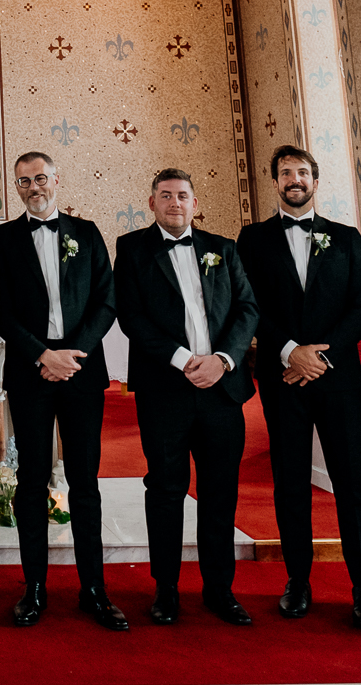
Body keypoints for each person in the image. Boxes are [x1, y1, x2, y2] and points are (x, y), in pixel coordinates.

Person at [235, 146, 361, 628]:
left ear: (315, 181)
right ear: (274, 181)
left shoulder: (346, 237)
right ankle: (298, 580)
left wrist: (322, 355)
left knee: (349, 479)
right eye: (284, 172)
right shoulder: (252, 239)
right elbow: (249, 305)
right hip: (283, 378)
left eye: (302, 172)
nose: (293, 179)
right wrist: (289, 351)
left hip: (337, 379)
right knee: (291, 480)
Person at [114, 168, 257, 628]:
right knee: (166, 489)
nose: (175, 203)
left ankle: (220, 589)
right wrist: (182, 360)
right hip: (165, 390)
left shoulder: (223, 248)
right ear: (151, 201)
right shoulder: (132, 249)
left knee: (220, 491)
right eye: (166, 195)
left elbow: (247, 308)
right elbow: (132, 316)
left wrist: (223, 359)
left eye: (182, 196)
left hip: (221, 388)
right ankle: (166, 589)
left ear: (195, 203)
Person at [0, 151, 124, 630]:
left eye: (41, 178)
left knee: (85, 482)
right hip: (31, 374)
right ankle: (35, 588)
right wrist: (41, 355)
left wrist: (73, 354)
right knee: (30, 480)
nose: (34, 187)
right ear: (17, 186)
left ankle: (94, 589)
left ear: (57, 180)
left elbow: (107, 301)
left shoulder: (86, 234)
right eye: (24, 181)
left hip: (82, 373)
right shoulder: (1, 238)